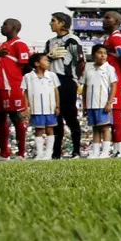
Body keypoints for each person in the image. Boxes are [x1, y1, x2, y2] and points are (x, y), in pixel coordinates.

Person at [45, 12, 86, 159]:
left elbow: (81, 62)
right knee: (56, 117)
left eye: (53, 21)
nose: (50, 23)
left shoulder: (72, 40)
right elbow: (43, 62)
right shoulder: (50, 42)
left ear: (62, 23)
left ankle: (76, 150)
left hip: (67, 80)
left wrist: (76, 79)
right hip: (52, 81)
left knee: (70, 116)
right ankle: (56, 152)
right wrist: (49, 56)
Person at [0, 18, 30, 161]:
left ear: (14, 28)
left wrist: (19, 84)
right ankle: (3, 153)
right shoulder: (1, 45)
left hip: (12, 87)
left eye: (5, 24)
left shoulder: (19, 44)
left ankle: (21, 153)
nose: (2, 27)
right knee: (0, 118)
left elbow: (26, 66)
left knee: (15, 118)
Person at [102, 11, 121, 157]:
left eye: (108, 18)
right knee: (111, 115)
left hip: (117, 80)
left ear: (116, 21)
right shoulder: (109, 39)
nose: (104, 20)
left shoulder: (117, 38)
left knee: (116, 113)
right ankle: (115, 148)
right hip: (109, 80)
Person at [21, 53, 61, 160]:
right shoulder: (28, 77)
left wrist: (57, 105)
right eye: (45, 60)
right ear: (37, 63)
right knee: (38, 130)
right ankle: (39, 153)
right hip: (36, 108)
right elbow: (25, 92)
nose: (48, 62)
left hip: (50, 107)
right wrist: (26, 107)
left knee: (50, 129)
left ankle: (48, 153)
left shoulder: (51, 75)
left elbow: (56, 91)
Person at [82, 44, 118, 159]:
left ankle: (105, 151)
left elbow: (113, 86)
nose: (103, 55)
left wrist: (109, 102)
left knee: (105, 127)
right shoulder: (89, 69)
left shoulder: (109, 68)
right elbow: (85, 87)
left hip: (102, 102)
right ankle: (95, 152)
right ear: (93, 55)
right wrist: (84, 104)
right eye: (99, 53)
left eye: (105, 53)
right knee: (95, 128)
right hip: (91, 103)